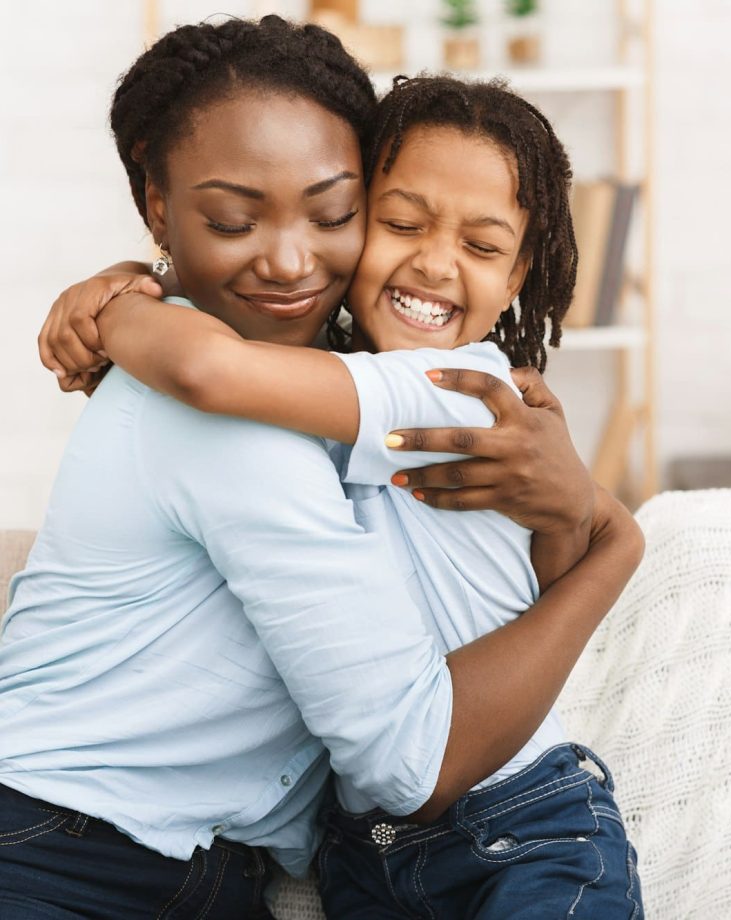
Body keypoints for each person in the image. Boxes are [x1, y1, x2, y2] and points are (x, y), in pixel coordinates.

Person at [2, 17, 640, 920]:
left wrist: (600, 525)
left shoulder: (422, 386)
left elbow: (222, 367)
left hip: (456, 829)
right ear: (159, 205)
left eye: (334, 213)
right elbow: (210, 370)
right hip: (103, 852)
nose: (294, 259)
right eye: (401, 221)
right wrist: (131, 295)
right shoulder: (268, 393)